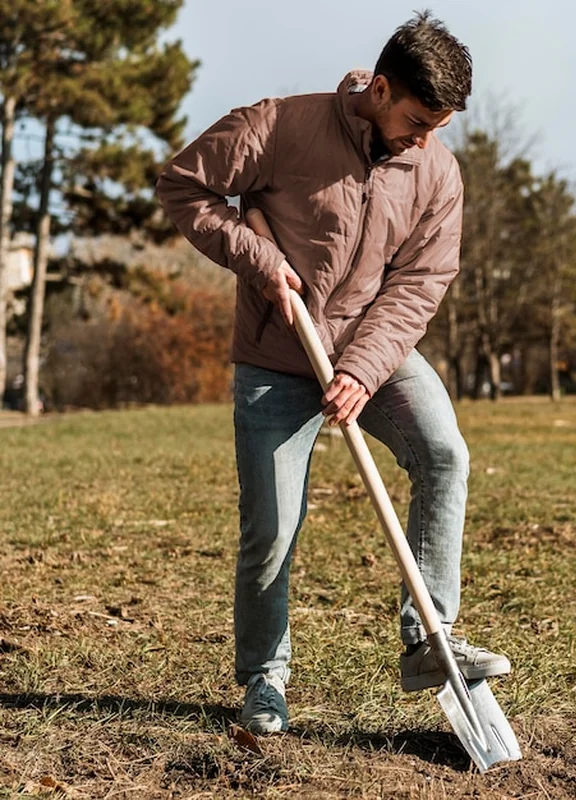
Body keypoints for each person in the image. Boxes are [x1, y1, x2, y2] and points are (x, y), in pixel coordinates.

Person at [156, 11, 510, 735]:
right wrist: (259, 261)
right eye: (417, 120)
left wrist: (364, 367)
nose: (426, 138)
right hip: (276, 356)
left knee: (444, 455)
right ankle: (264, 680)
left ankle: (428, 639)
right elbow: (183, 186)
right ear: (379, 89)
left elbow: (421, 281)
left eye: (439, 126)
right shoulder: (278, 126)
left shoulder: (435, 170)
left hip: (372, 350)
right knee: (273, 530)